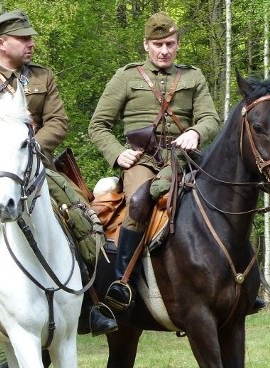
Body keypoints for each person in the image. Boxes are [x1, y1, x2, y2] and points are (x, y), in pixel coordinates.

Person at [0, 9, 118, 341]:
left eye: (30, 37)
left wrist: (28, 146)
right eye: (23, 38)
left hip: (38, 172)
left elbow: (59, 122)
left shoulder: (42, 78)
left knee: (84, 217)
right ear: (0, 42)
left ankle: (94, 303)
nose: (30, 43)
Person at [89, 12, 229, 315]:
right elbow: (98, 125)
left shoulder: (193, 77)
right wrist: (117, 154)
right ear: (146, 45)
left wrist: (195, 131)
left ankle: (238, 280)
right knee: (140, 201)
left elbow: (211, 119)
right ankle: (121, 281)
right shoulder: (126, 77)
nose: (163, 50)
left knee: (227, 197)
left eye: (169, 44)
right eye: (157, 44)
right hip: (143, 160)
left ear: (177, 45)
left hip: (184, 159)